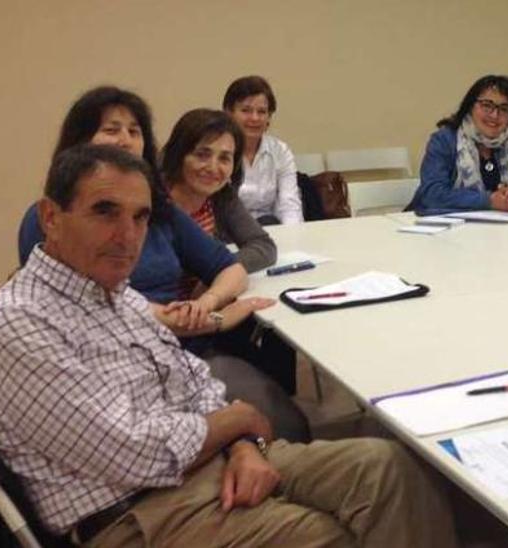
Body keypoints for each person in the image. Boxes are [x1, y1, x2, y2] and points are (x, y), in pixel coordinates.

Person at [0, 144, 457, 546]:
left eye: (140, 218)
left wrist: (244, 445)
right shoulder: (18, 324)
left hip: (201, 462)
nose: (127, 236)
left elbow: (194, 381)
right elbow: (134, 454)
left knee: (385, 467)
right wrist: (240, 421)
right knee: (327, 537)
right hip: (133, 515)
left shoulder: (114, 294)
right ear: (50, 217)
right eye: (105, 211)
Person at [16, 88, 307, 442]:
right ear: (79, 141)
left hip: (182, 350)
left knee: (283, 419)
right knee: (261, 427)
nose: (124, 140)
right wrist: (209, 320)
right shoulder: (50, 218)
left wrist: (207, 304)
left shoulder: (161, 211)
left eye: (134, 131)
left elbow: (228, 266)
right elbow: (90, 309)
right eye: (111, 129)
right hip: (117, 359)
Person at [161, 108, 277, 274]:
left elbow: (264, 246)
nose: (213, 168)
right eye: (202, 155)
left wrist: (221, 271)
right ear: (179, 155)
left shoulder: (222, 197)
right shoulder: (152, 199)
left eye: (224, 158)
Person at [407, 75, 508, 214]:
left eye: (503, 109)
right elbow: (432, 194)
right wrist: (488, 200)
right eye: (486, 105)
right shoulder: (445, 140)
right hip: (449, 227)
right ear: (470, 106)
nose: (494, 115)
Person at [224, 75, 303, 225]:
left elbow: (289, 204)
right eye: (246, 110)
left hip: (267, 229)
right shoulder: (218, 152)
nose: (255, 118)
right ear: (229, 113)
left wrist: (293, 239)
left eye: (261, 112)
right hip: (226, 231)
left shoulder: (280, 151)